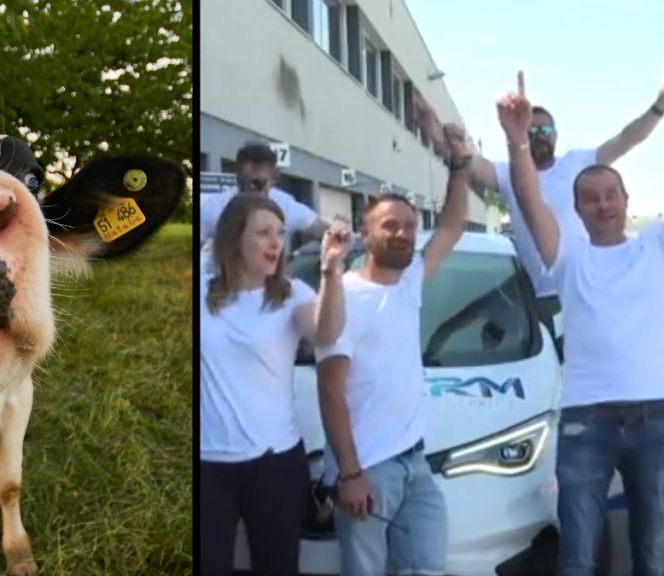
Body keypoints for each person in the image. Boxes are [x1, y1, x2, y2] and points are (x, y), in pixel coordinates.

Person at [497, 69, 664, 576]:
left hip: (653, 421)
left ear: (626, 201)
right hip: (585, 422)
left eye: (610, 195)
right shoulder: (568, 255)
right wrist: (516, 143)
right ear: (576, 209)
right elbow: (528, 199)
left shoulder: (658, 247)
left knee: (654, 553)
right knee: (578, 556)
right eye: (590, 198)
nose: (602, 204)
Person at [414, 67, 664, 354]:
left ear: (556, 135)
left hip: (584, 288)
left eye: (545, 130)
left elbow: (627, 138)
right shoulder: (509, 175)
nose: (539, 136)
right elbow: (464, 160)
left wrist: (660, 106)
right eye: (532, 130)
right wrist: (431, 127)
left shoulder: (579, 162)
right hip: (538, 300)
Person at [315, 123, 472, 576]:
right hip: (368, 469)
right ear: (366, 234)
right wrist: (349, 473)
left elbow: (452, 225)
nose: (403, 233)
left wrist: (458, 165)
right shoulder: (343, 295)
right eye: (390, 225)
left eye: (409, 226)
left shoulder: (408, 283)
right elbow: (330, 392)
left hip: (414, 461)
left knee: (425, 568)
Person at [199, 192, 351, 576]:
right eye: (263, 232)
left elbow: (326, 331)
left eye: (280, 233)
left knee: (278, 566)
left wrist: (331, 271)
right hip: (207, 464)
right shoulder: (200, 288)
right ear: (235, 239)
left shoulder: (291, 295)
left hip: (275, 464)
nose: (275, 242)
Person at [199, 141, 331, 252]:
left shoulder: (286, 206)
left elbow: (324, 231)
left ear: (274, 178)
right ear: (237, 174)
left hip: (273, 281)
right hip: (227, 280)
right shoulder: (215, 207)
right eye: (244, 182)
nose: (251, 190)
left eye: (258, 183)